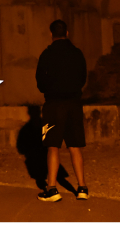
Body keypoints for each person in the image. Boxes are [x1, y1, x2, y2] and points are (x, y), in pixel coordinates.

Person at [35, 19, 88, 202]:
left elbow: (40, 83)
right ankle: (82, 187)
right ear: (67, 33)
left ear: (51, 34)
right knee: (74, 146)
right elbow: (83, 78)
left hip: (54, 104)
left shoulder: (47, 55)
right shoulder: (77, 53)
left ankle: (51, 189)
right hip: (74, 103)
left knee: (53, 146)